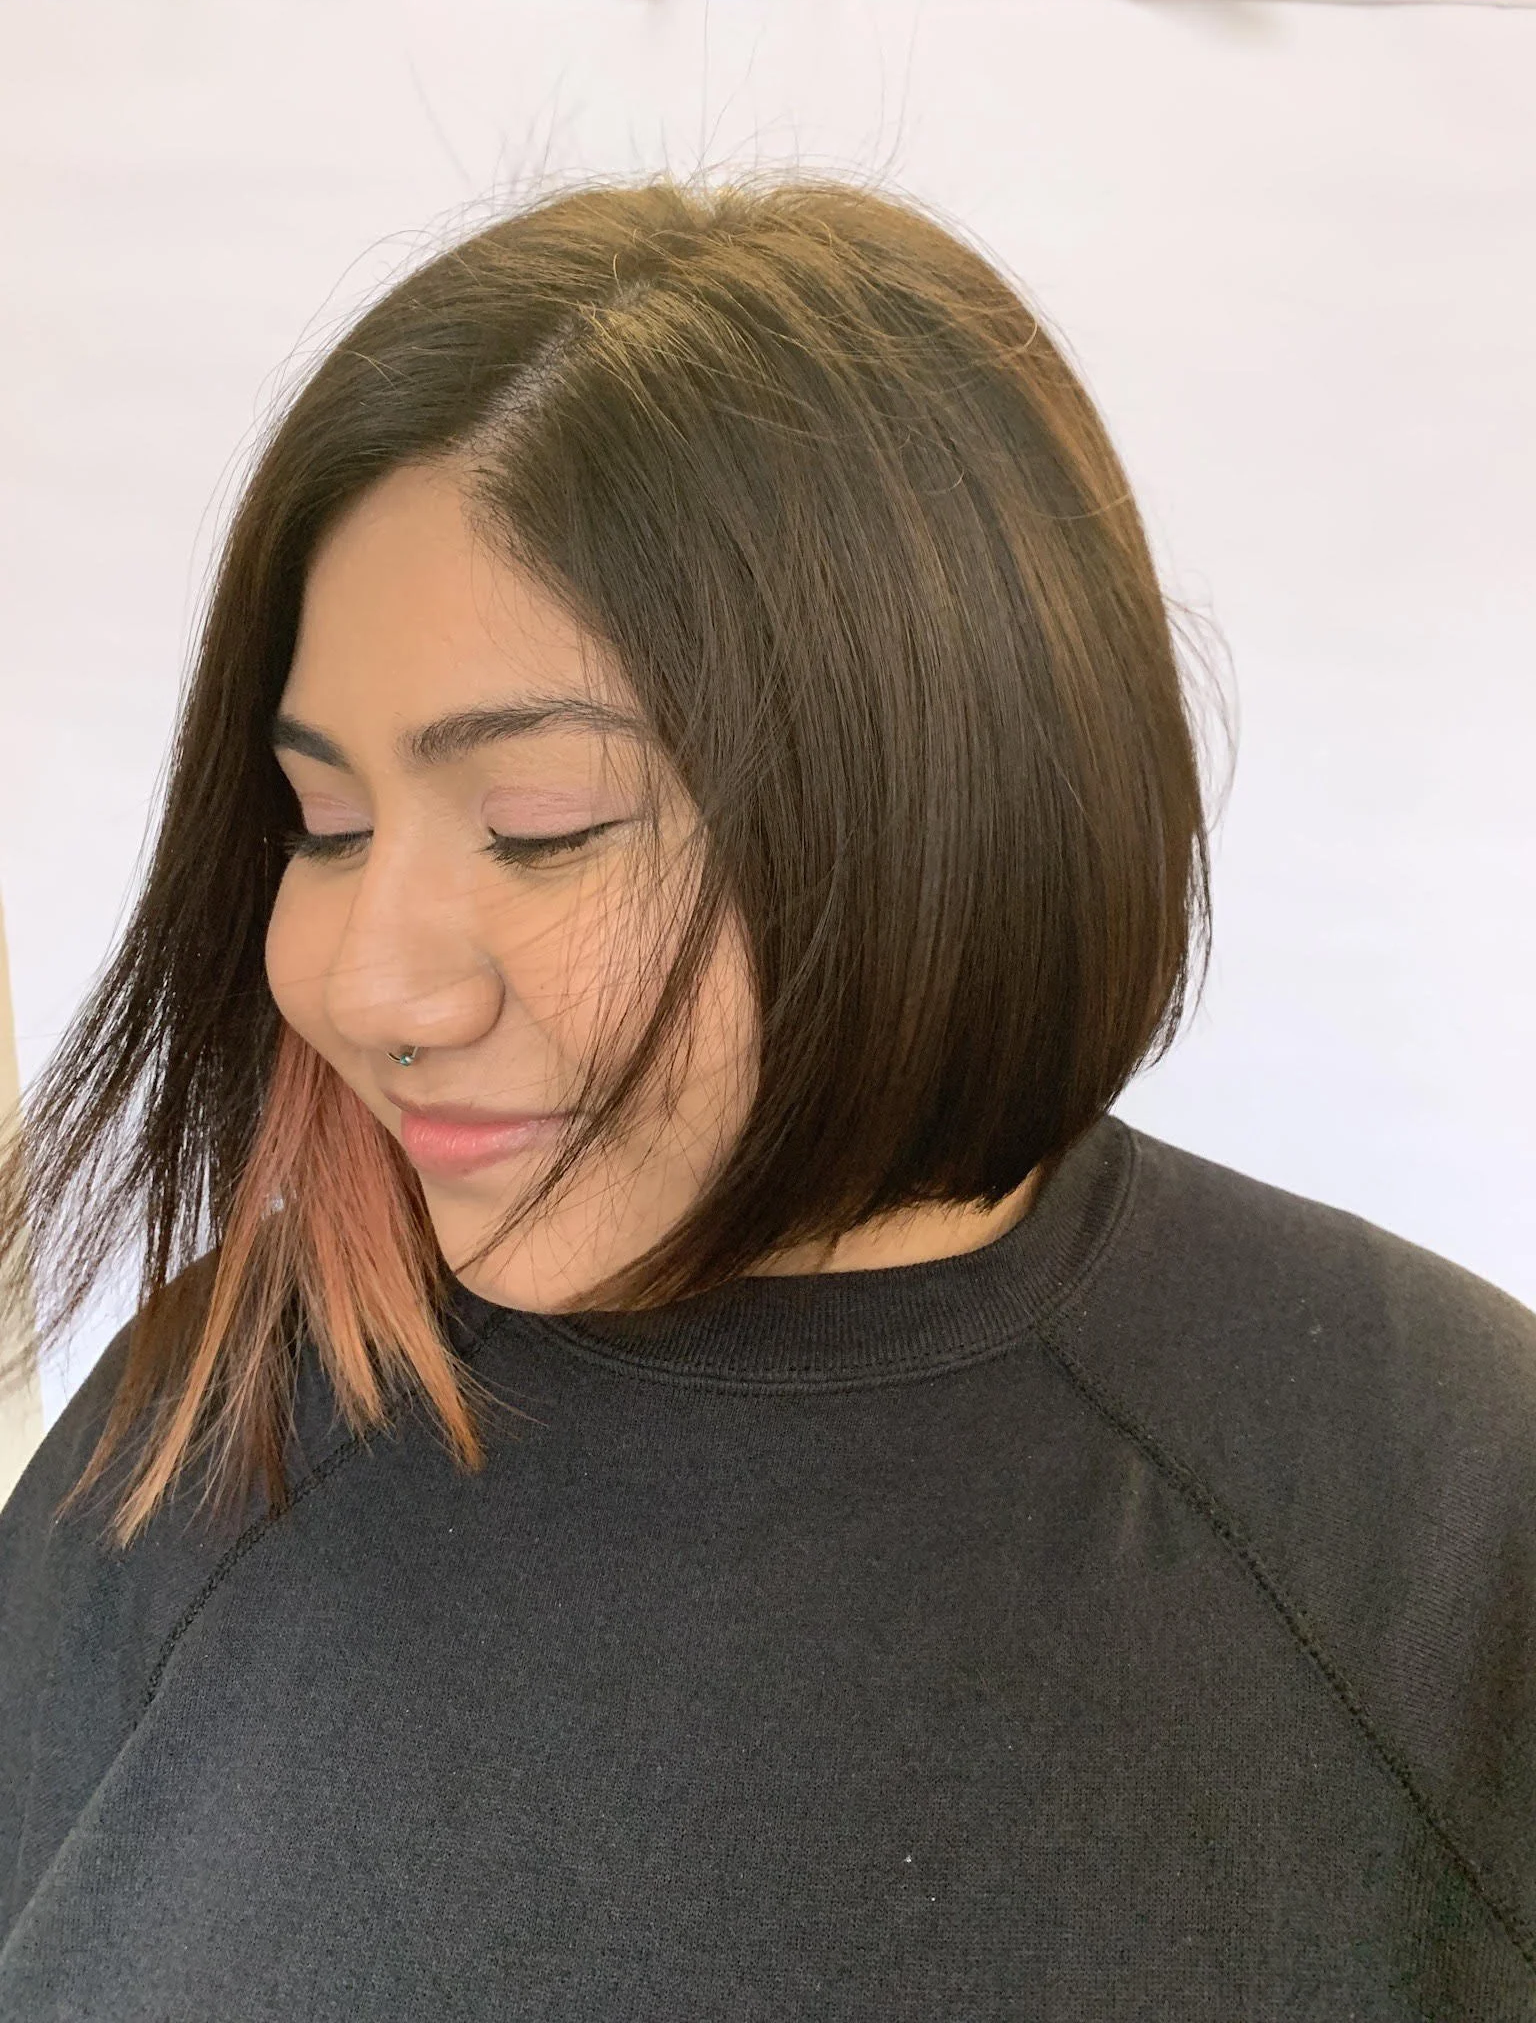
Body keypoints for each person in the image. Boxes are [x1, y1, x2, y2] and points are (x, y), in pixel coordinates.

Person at [0, 171, 1532, 2022]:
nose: (365, 985)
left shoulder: (1452, 1508)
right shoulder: (207, 1420)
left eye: (541, 825)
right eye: (326, 822)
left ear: (946, 795)